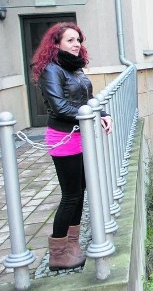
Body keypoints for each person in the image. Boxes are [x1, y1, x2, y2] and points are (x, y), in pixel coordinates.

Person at [30, 22, 112, 271]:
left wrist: (103, 112)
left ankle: (72, 245)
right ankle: (58, 253)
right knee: (70, 195)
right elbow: (60, 108)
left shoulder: (75, 68)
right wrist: (93, 117)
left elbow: (86, 99)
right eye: (70, 40)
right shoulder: (51, 70)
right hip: (64, 137)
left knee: (81, 190)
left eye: (78, 40)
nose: (77, 44)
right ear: (56, 44)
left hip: (80, 134)